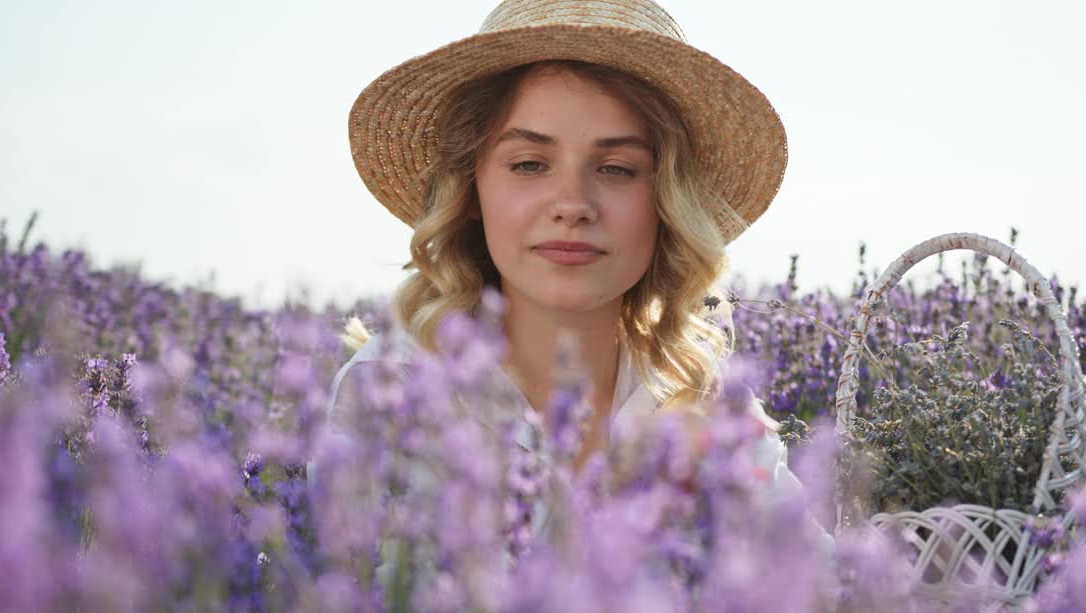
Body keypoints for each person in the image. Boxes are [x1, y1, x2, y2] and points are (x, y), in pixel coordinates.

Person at [325, 0, 833, 554]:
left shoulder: (706, 402)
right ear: (471, 191)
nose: (572, 205)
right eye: (528, 164)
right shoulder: (391, 395)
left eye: (617, 169)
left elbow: (827, 596)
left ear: (666, 201)